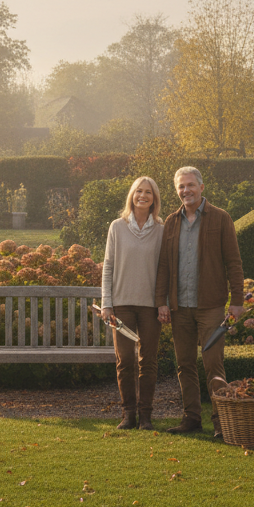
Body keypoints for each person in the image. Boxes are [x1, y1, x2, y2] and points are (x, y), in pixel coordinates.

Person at [154, 167, 245, 438]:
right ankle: (191, 418)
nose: (186, 191)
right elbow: (163, 267)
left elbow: (234, 262)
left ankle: (220, 422)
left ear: (202, 187)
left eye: (191, 185)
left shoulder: (220, 218)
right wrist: (161, 302)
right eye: (181, 187)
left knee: (213, 365)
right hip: (179, 307)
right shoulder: (171, 222)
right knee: (184, 364)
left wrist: (237, 301)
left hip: (211, 306)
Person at [100, 176, 165, 430]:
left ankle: (146, 416)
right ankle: (129, 414)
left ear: (154, 199)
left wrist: (163, 303)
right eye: (139, 191)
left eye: (148, 192)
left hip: (150, 306)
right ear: (132, 195)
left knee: (148, 361)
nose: (143, 196)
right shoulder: (117, 227)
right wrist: (107, 304)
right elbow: (108, 267)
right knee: (124, 360)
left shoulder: (161, 230)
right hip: (122, 305)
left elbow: (165, 270)